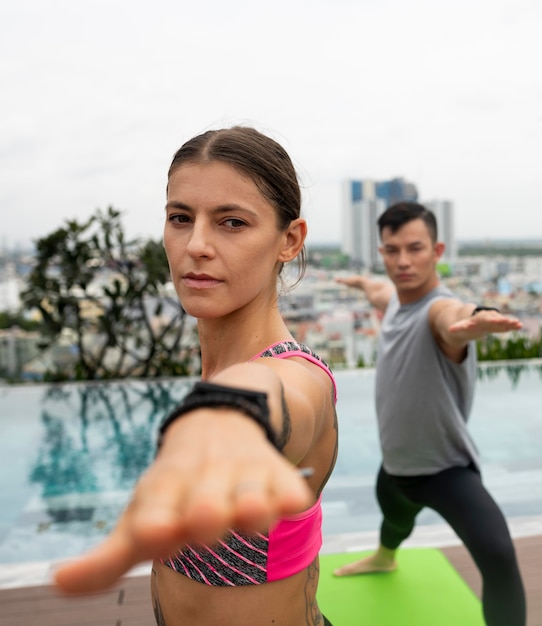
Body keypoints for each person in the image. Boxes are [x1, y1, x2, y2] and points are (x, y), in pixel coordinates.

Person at [53, 126, 338, 626]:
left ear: (289, 240)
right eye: (180, 218)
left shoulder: (294, 375)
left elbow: (286, 396)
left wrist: (231, 415)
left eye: (232, 222)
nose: (197, 245)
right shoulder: (214, 365)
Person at [334, 201, 527, 626]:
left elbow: (451, 317)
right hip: (396, 467)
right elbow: (375, 289)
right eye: (392, 250)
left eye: (415, 248)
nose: (403, 261)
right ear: (382, 253)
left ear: (437, 251)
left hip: (445, 473)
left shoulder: (438, 311)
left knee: (499, 556)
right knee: (393, 520)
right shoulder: (392, 298)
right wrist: (356, 280)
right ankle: (385, 559)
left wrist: (475, 319)